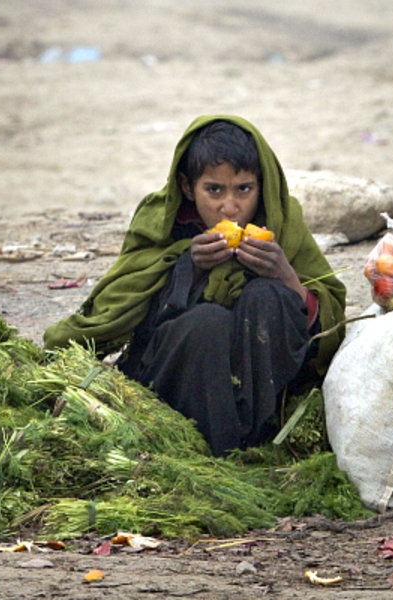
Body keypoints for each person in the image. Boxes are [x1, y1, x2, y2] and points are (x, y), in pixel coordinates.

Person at [43, 115, 346, 456]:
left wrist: (285, 275)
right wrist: (190, 266)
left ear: (261, 185)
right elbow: (126, 308)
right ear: (188, 187)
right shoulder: (163, 223)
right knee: (207, 324)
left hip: (263, 388)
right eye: (214, 190)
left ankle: (255, 442)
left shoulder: (282, 220)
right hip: (178, 384)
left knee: (269, 295)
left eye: (244, 189)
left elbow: (329, 318)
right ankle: (216, 452)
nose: (229, 207)